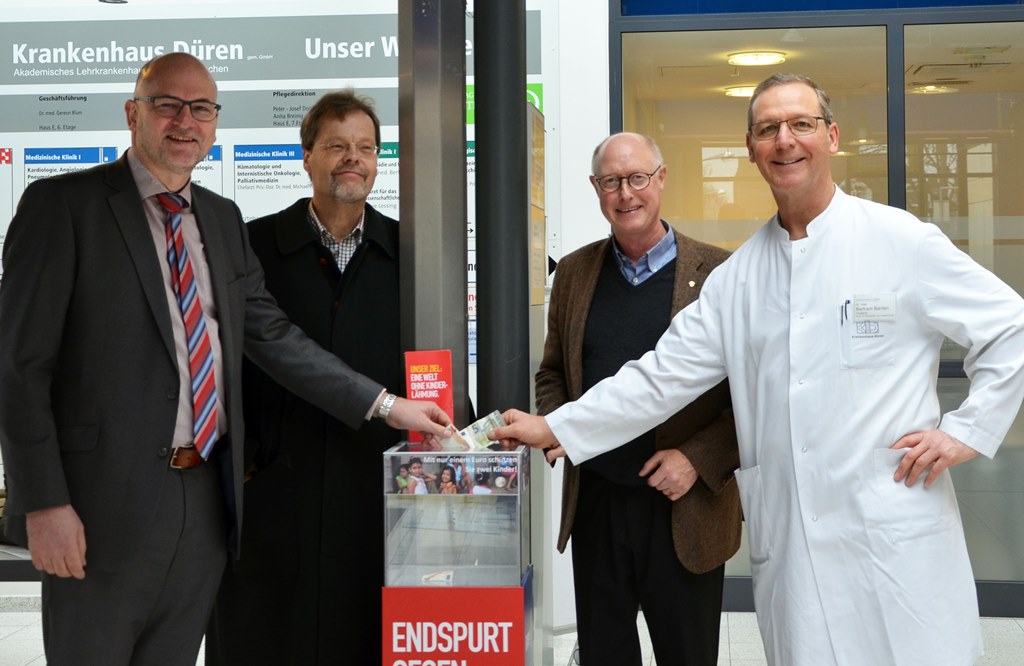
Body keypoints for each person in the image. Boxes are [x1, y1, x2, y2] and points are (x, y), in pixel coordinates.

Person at [491, 73, 1024, 666]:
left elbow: (1010, 326)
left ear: (832, 137)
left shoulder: (900, 241)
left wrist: (967, 431)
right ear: (751, 149)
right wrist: (556, 426)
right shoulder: (737, 279)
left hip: (892, 533)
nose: (785, 140)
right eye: (767, 129)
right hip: (793, 546)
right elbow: (659, 376)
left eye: (801, 124)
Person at [0, 54, 451, 666]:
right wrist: (43, 504)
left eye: (202, 108)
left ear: (216, 123)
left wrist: (388, 405)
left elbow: (275, 339)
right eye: (168, 105)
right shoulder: (64, 207)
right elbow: (19, 367)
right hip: (100, 510)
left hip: (208, 505)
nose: (186, 121)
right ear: (134, 114)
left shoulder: (220, 218)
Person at [203, 89, 410, 666]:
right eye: (337, 146)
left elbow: (431, 362)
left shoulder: (410, 251)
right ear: (307, 157)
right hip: (273, 482)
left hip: (373, 481)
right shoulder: (253, 245)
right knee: (265, 636)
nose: (353, 158)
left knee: (363, 634)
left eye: (366, 147)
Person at [539, 132, 741, 666]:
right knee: (605, 653)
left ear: (662, 179)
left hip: (684, 505)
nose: (626, 194)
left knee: (687, 653)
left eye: (637, 178)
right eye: (611, 181)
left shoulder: (721, 274)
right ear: (595, 188)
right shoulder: (576, 274)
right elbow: (553, 372)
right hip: (598, 502)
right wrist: (557, 427)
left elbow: (751, 398)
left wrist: (697, 459)